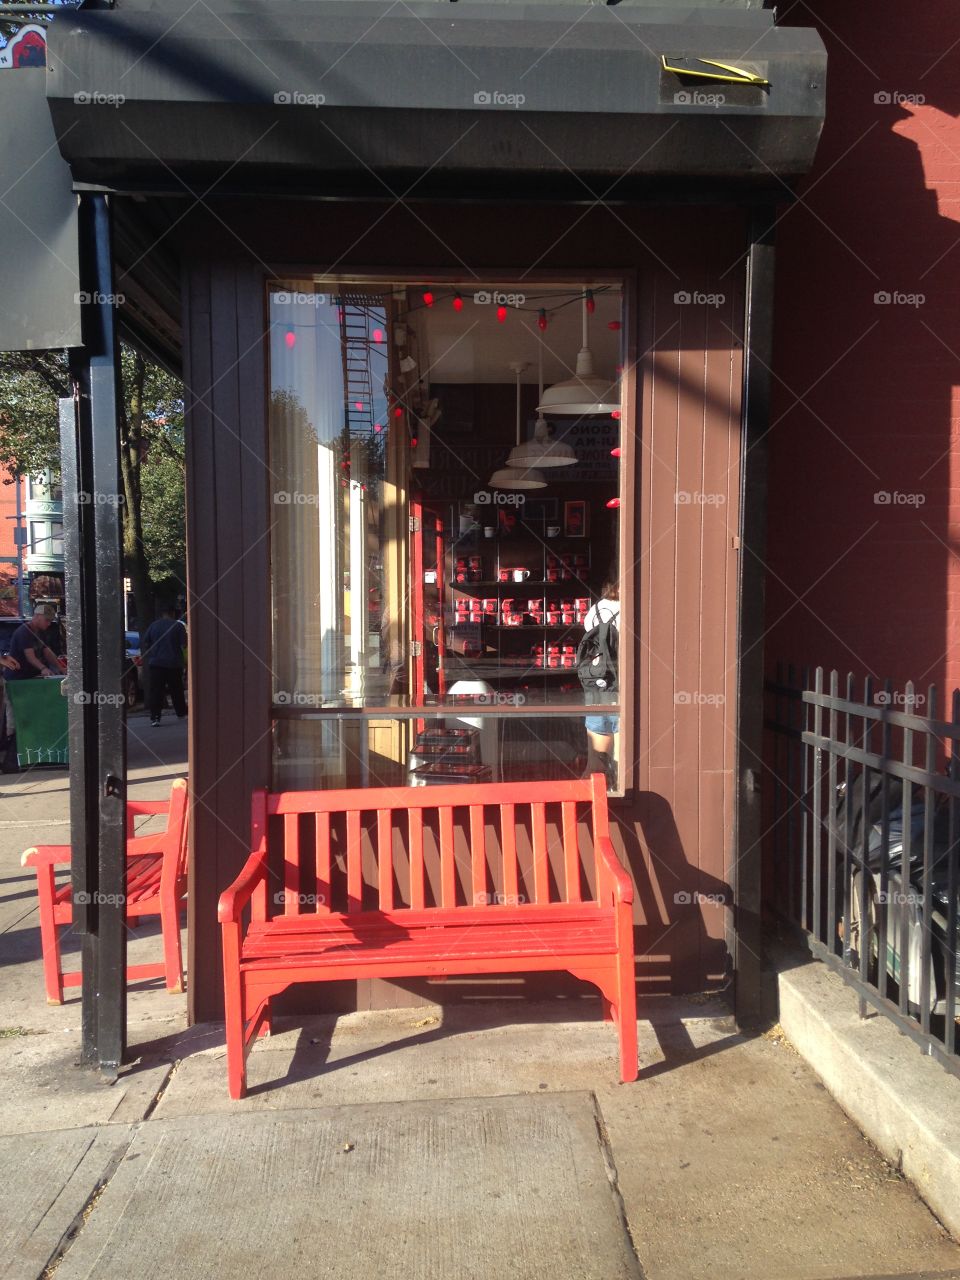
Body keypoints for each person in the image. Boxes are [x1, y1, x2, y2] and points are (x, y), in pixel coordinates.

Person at [580, 579, 620, 787]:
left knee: (595, 763)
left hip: (597, 683)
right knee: (624, 766)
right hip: (621, 685)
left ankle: (589, 797)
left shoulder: (595, 609)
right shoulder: (631, 608)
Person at [140, 604, 187, 726]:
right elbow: (184, 645)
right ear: (172, 613)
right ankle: (181, 713)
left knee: (156, 691)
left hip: (156, 663)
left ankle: (155, 717)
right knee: (176, 690)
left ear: (162, 613)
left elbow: (146, 643)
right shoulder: (178, 626)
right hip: (174, 663)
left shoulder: (153, 626)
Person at [6, 608, 64, 680]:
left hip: (32, 675)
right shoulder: (24, 632)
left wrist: (61, 668)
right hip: (18, 677)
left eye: (50, 621)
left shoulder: (41, 631)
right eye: (47, 620)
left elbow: (47, 652)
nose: (49, 624)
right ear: (37, 616)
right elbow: (30, 657)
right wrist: (43, 668)